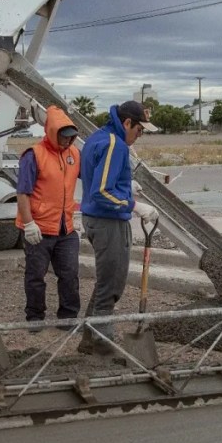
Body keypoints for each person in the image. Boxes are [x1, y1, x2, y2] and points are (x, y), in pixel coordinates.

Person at [78, 101, 159, 355]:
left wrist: (126, 185)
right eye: (139, 129)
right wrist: (134, 205)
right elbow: (101, 191)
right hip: (107, 220)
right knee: (112, 284)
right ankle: (103, 342)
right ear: (127, 123)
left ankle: (90, 338)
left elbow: (95, 176)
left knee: (106, 280)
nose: (140, 135)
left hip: (96, 218)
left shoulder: (98, 137)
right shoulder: (116, 145)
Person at [15, 106, 82, 331]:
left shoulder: (74, 154)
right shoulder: (34, 155)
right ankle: (35, 317)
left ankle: (68, 317)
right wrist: (29, 224)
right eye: (64, 137)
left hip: (66, 229)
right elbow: (23, 192)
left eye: (72, 137)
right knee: (35, 275)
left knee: (70, 274)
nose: (68, 142)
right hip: (39, 229)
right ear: (52, 132)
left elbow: (91, 176)